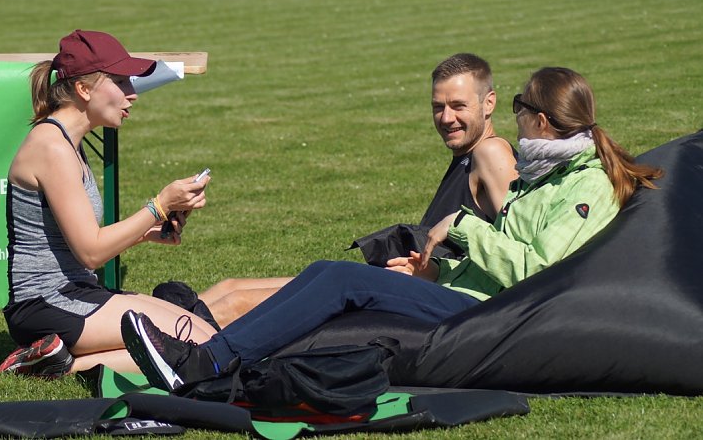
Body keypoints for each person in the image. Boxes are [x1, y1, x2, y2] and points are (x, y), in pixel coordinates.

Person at [122, 66, 663, 392]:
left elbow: (537, 269)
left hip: (491, 318)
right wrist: (437, 265)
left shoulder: (584, 187)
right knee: (326, 274)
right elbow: (514, 251)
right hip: (464, 295)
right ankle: (204, 350)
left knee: (339, 281)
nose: (517, 119)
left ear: (540, 120)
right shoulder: (553, 172)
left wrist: (463, 229)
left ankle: (206, 361)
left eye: (520, 107)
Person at [196, 53, 518, 327]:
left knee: (238, 304)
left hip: (425, 299)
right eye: (438, 107)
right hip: (400, 282)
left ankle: (168, 348)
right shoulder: (467, 155)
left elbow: (514, 252)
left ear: (489, 103)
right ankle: (156, 326)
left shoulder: (490, 153)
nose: (446, 118)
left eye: (458, 106)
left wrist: (434, 275)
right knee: (232, 286)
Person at [0, 29, 215, 378]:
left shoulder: (67, 141)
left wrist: (148, 232)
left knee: (204, 332)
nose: (132, 95)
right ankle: (54, 366)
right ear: (84, 89)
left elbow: (79, 241)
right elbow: (91, 253)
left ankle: (55, 357)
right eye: (121, 82)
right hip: (44, 304)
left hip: (74, 292)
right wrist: (158, 205)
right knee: (196, 345)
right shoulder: (52, 147)